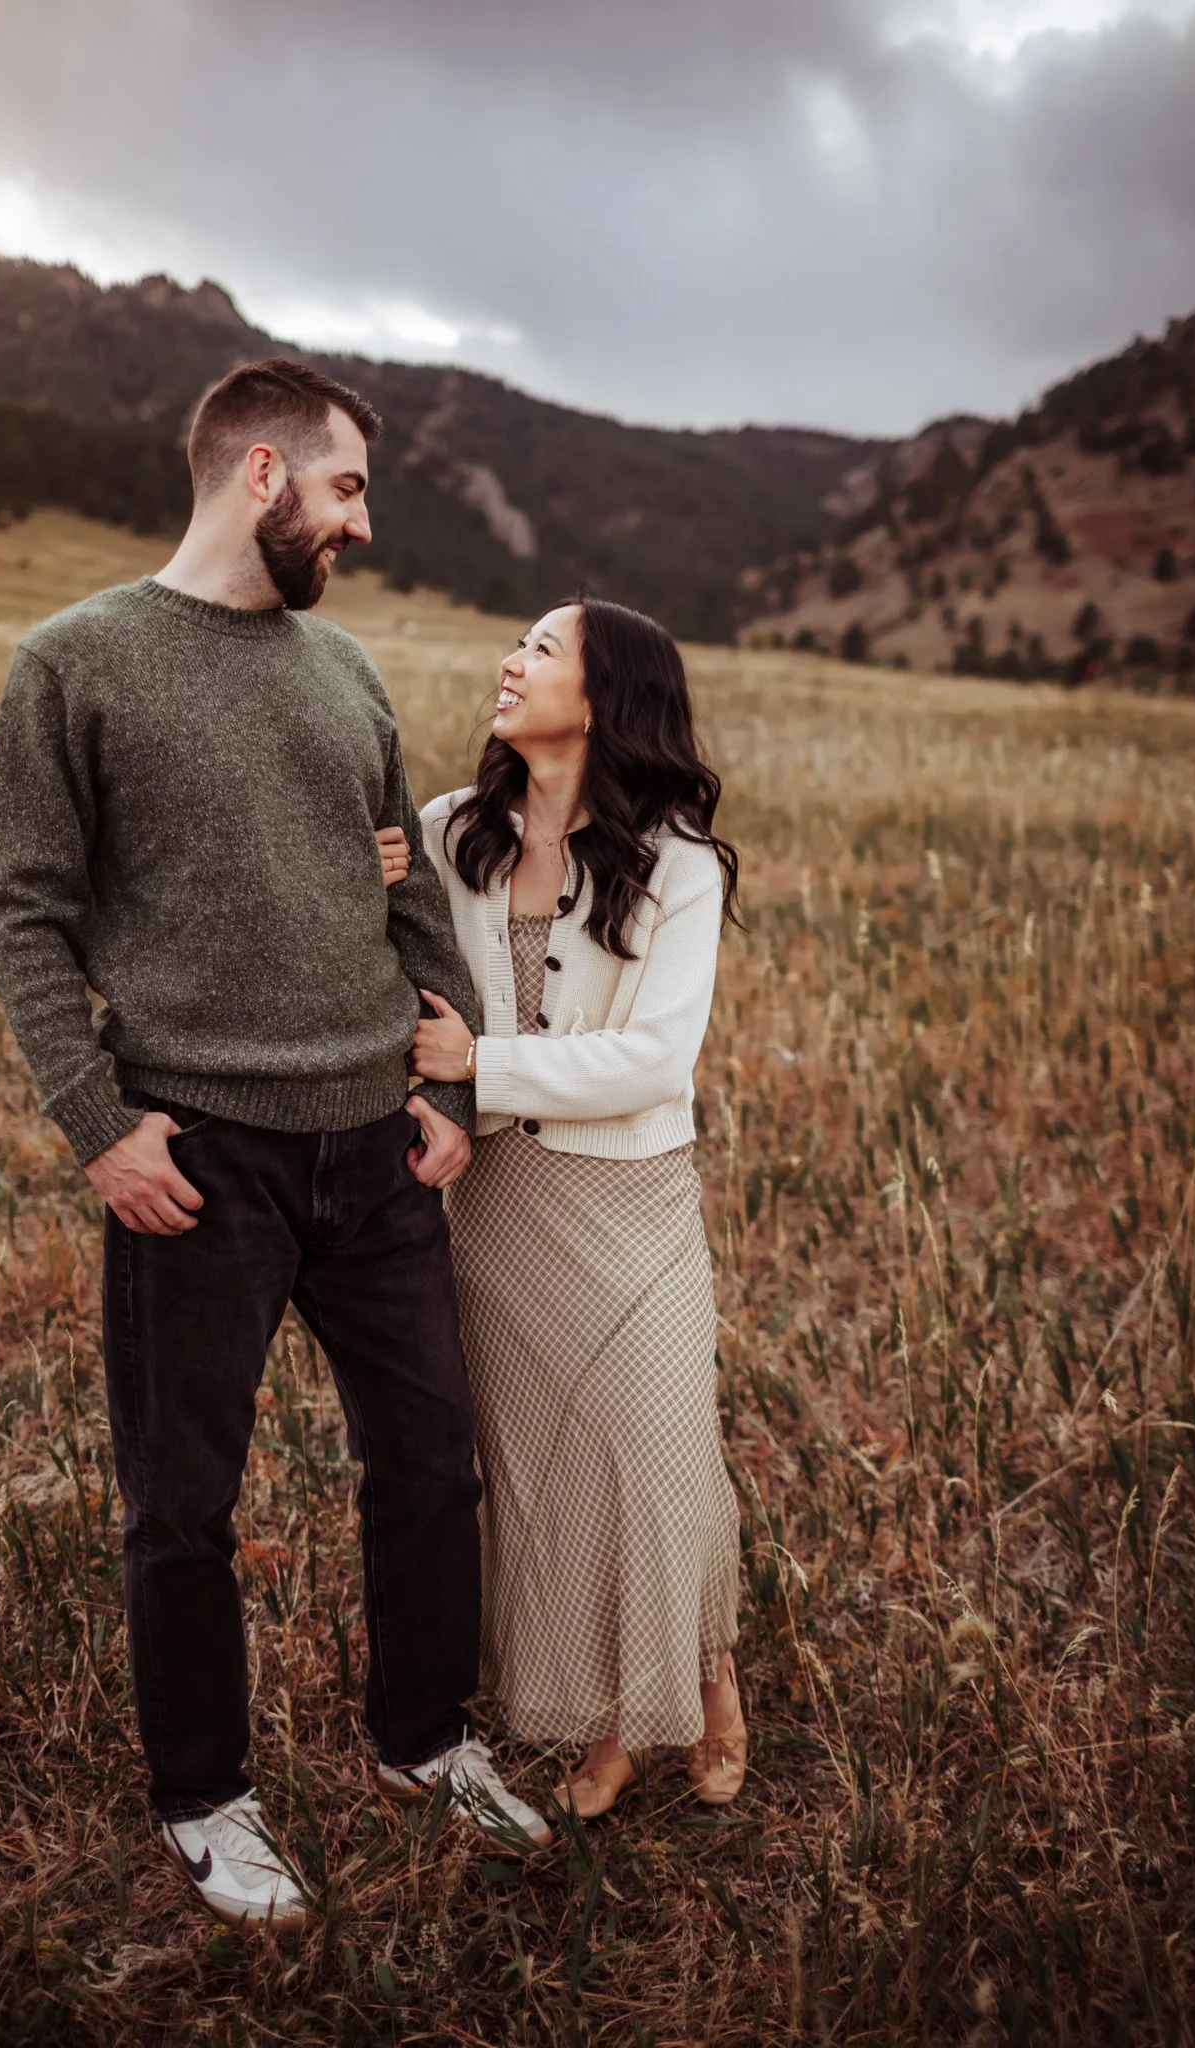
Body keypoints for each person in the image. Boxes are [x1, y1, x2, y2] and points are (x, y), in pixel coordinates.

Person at [0, 358, 550, 1932]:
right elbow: (19, 912)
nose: (362, 523)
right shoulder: (74, 665)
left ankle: (423, 1741)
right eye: (349, 486)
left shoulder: (344, 670)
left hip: (370, 1149)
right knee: (184, 1506)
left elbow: (410, 894)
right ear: (260, 473)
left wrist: (444, 1093)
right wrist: (97, 1127)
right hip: (199, 1165)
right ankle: (205, 1799)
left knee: (431, 1463)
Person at [386, 596, 747, 1819]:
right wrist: (370, 864)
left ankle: (706, 1674)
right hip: (501, 1205)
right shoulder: (451, 830)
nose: (511, 660)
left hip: (630, 1196)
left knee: (653, 1453)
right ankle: (611, 1720)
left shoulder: (678, 861)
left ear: (604, 697)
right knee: (546, 1467)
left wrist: (477, 1066)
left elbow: (655, 1059)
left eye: (542, 648)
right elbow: (388, 937)